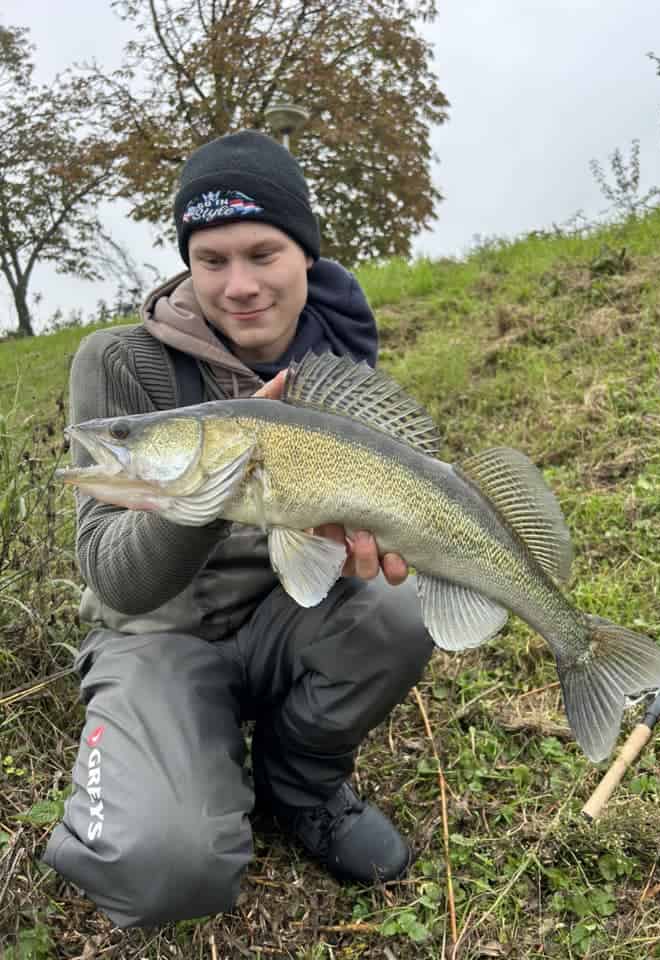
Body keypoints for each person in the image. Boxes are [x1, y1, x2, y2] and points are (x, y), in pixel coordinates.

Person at [42, 131, 434, 929]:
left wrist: (366, 552)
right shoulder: (117, 363)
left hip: (282, 626)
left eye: (263, 253)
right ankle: (181, 758)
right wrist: (211, 488)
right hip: (159, 638)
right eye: (211, 260)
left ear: (307, 258)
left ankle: (301, 784)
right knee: (162, 871)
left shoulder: (343, 371)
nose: (240, 284)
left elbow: (341, 557)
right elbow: (114, 579)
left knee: (408, 603)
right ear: (187, 262)